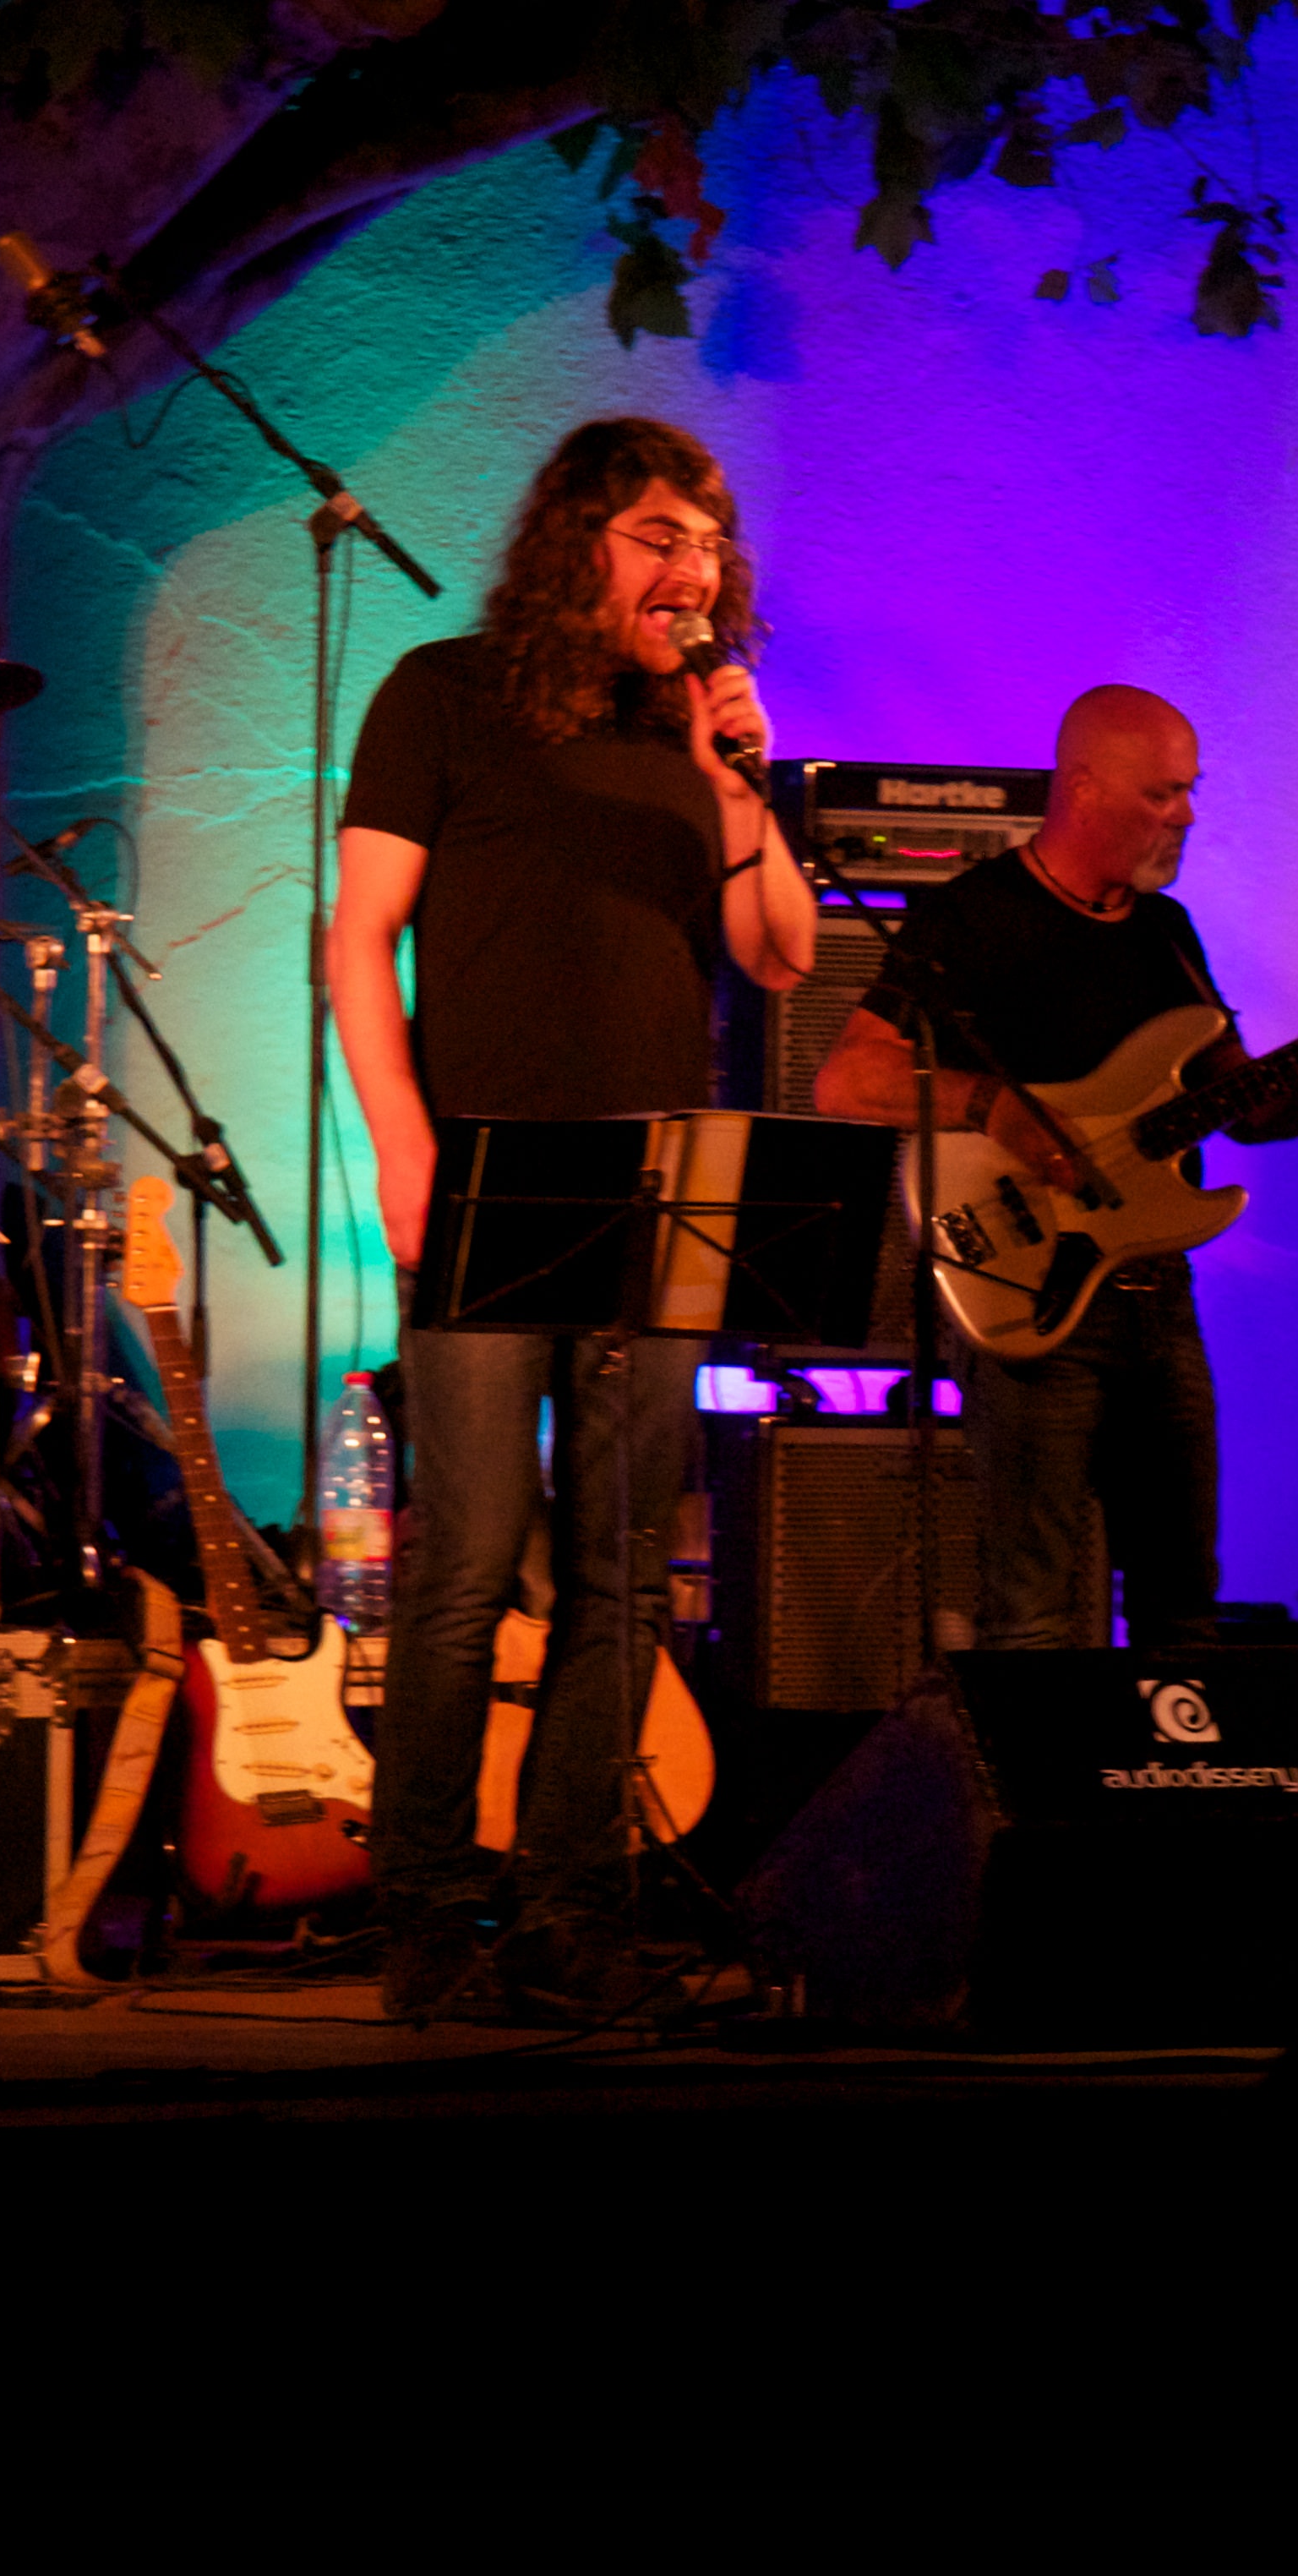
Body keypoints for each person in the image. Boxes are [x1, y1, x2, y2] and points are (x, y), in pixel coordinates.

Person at [330, 418, 819, 2022]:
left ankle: (570, 1907)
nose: (694, 569)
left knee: (621, 1573)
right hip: (483, 1172)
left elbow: (780, 954)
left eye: (709, 543)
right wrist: (401, 1147)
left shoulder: (696, 734)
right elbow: (359, 937)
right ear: (578, 541)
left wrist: (736, 790)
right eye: (660, 535)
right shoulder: (444, 694)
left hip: (656, 1193)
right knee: (466, 1563)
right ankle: (425, 1912)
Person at [811, 685, 1298, 1652]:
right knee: (1030, 1608)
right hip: (1033, 1297)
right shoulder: (971, 918)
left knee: (1183, 1602)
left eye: (1190, 790)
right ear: (1082, 789)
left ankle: (1174, 1750)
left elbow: (1251, 1108)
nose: (1185, 814)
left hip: (1158, 1300)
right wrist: (997, 1108)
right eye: (1162, 793)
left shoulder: (1165, 933)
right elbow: (847, 1079)